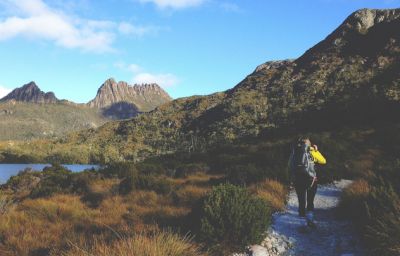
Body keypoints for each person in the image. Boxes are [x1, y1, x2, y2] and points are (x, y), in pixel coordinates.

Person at [288, 137, 326, 227]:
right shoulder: (312, 151)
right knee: (310, 200)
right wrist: (316, 151)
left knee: (301, 201)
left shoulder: (294, 152)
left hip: (298, 179)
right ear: (309, 144)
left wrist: (290, 179)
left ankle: (302, 223)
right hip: (311, 179)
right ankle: (310, 219)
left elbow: (289, 166)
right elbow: (323, 161)